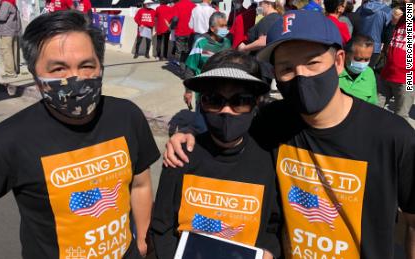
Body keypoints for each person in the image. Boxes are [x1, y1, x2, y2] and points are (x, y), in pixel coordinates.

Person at [163, 10, 415, 258]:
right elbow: (228, 126)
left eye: (313, 62)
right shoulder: (273, 120)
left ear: (338, 61)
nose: (301, 76)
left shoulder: (393, 136)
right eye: (286, 68)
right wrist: (190, 132)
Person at [0, 10, 160, 259]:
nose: (75, 78)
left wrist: (141, 242)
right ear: (36, 76)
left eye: (86, 65)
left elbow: (140, 185)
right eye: (58, 69)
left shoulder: (127, 116)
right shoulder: (8, 141)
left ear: (100, 66)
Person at [152, 50, 280, 259]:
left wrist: (270, 253)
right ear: (201, 103)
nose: (226, 110)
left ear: (255, 103)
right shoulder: (181, 156)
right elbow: (161, 226)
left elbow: (274, 226)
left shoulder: (269, 158)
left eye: (239, 100)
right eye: (214, 99)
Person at [183, 12, 232, 133]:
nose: (225, 29)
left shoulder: (227, 43)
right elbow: (190, 68)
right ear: (212, 28)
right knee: (202, 127)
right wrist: (188, 91)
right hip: (204, 94)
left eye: (226, 25)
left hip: (223, 92)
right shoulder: (201, 43)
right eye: (221, 26)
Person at [380, 0, 415, 123]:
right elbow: (396, 14)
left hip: (409, 77)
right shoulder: (402, 18)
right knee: (374, 110)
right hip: (387, 72)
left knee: (401, 117)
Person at [339, 34, 378, 104]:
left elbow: (372, 104)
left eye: (367, 59)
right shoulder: (334, 71)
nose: (362, 63)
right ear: (346, 55)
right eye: (358, 59)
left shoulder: (369, 73)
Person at [358, 0, 391, 68]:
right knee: (368, 73)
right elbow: (388, 33)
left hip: (358, 44)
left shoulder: (361, 8)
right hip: (374, 48)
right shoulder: (387, 11)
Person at [0, 0, 21, 78]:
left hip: (6, 31)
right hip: (13, 31)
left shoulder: (5, 3)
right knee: (14, 51)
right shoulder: (12, 2)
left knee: (6, 52)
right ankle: (15, 69)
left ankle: (10, 72)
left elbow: (2, 17)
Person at [171, 0, 195, 70]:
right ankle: (188, 69)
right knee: (189, 51)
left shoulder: (177, 5)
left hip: (180, 32)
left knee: (180, 52)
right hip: (191, 32)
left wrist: (172, 27)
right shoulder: (193, 5)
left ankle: (182, 70)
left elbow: (175, 19)